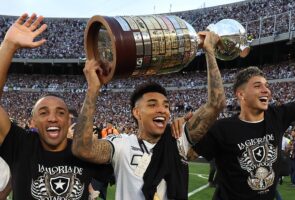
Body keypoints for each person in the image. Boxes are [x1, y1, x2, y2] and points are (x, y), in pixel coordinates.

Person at [72, 30, 226, 199]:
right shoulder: (121, 145)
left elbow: (216, 104)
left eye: (166, 106)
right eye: (152, 105)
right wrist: (93, 90)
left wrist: (209, 51)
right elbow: (83, 149)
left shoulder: (178, 141)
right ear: (136, 112)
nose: (162, 109)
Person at [0, 13, 113, 199]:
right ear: (33, 122)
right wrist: (8, 46)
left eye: (61, 112)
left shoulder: (83, 152)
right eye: (43, 113)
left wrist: (93, 88)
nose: (53, 117)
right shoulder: (21, 146)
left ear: (69, 121)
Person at [188, 66, 295, 200]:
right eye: (258, 86)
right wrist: (184, 128)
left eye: (267, 85)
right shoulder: (222, 129)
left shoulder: (277, 116)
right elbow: (188, 155)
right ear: (241, 94)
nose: (266, 91)